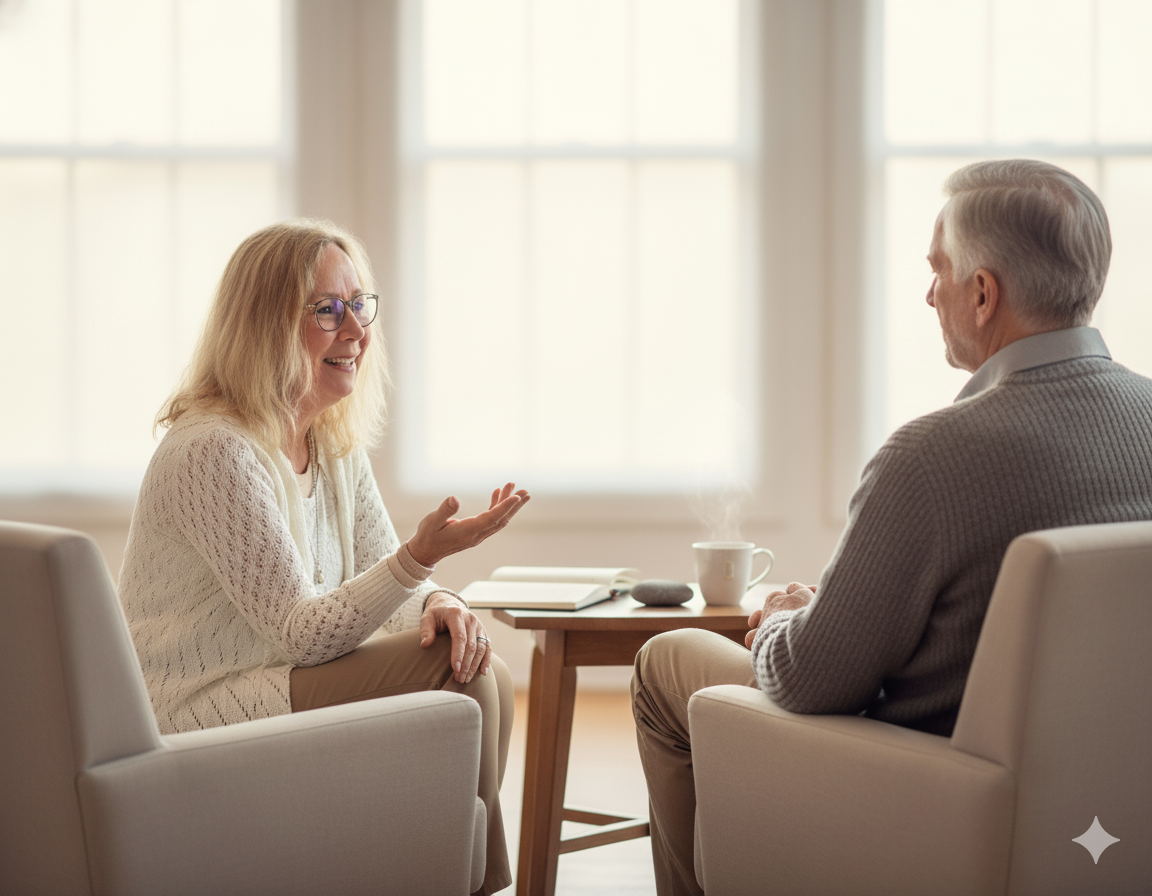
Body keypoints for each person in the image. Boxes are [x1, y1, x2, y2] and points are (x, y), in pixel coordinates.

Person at [631, 159, 1152, 896]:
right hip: (1100, 810)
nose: (928, 292)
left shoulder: (932, 455)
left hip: (922, 791)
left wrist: (782, 621)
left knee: (664, 662)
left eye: (938, 269)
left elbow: (812, 681)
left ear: (983, 294)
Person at [118, 218, 527, 896]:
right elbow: (302, 633)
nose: (357, 330)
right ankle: (472, 883)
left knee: (486, 669)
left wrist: (439, 600)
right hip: (198, 705)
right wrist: (420, 559)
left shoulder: (330, 441)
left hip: (278, 674)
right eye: (327, 310)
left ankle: (454, 875)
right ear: (266, 327)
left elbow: (381, 575)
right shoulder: (213, 451)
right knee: (454, 674)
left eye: (359, 304)